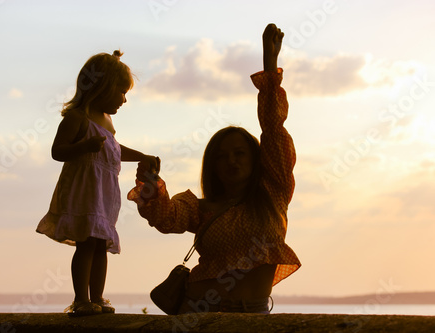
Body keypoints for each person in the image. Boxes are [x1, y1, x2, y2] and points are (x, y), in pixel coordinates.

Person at [128, 23, 301, 314]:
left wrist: (269, 66)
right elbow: (166, 216)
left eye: (239, 153)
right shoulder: (202, 208)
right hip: (197, 314)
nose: (231, 161)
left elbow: (273, 129)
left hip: (254, 314)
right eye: (222, 156)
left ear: (256, 159)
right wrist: (149, 183)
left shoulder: (273, 194)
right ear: (213, 165)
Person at [36, 50, 159, 316]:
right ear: (102, 87)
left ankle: (98, 297)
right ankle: (81, 299)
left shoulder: (107, 122)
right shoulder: (77, 118)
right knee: (86, 243)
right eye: (121, 92)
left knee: (100, 243)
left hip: (103, 195)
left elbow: (114, 149)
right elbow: (58, 151)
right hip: (83, 191)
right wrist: (83, 146)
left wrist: (142, 156)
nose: (124, 100)